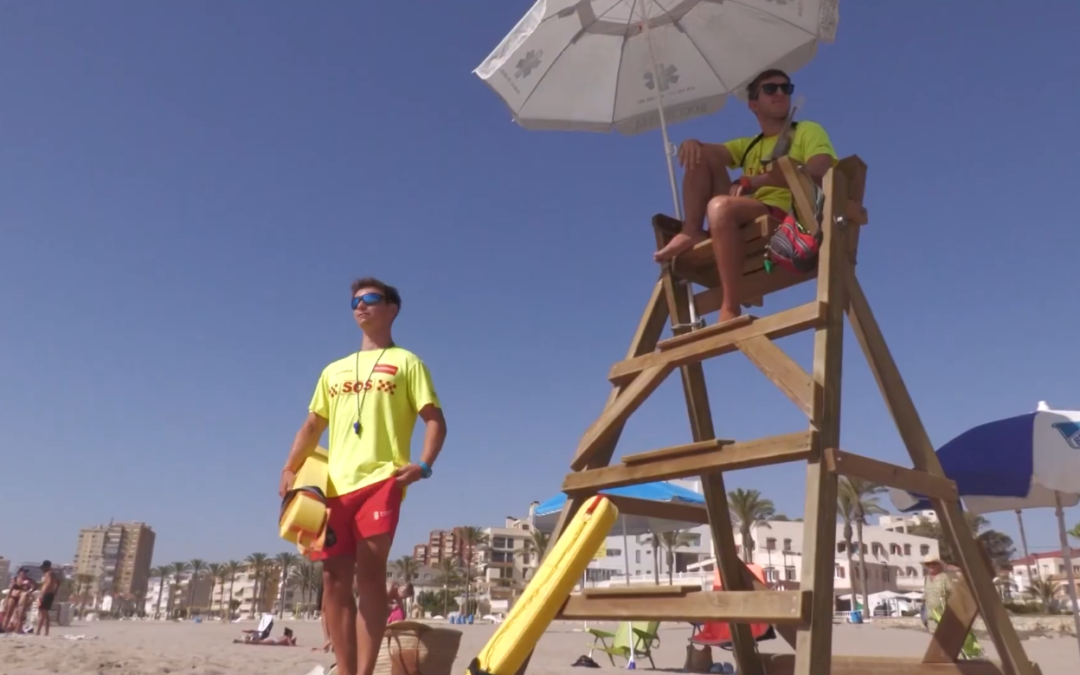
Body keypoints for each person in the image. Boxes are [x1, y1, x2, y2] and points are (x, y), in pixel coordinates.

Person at [279, 277, 447, 675]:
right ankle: (346, 669)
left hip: (381, 482)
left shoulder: (407, 362)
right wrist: (289, 467)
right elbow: (311, 426)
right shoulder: (333, 371)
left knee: (370, 578)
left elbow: (434, 419)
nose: (360, 306)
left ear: (392, 308)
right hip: (332, 488)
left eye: (371, 299)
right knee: (334, 582)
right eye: (354, 301)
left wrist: (423, 465)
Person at [653, 68, 838, 322]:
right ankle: (691, 229)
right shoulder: (750, 144)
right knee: (700, 156)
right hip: (744, 217)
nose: (781, 93)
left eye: (787, 88)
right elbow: (708, 153)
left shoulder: (806, 130)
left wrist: (755, 180)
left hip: (784, 217)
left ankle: (730, 305)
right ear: (753, 104)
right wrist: (692, 142)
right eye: (771, 89)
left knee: (721, 207)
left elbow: (821, 169)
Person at [35, 561, 58, 636]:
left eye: (43, 567)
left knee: (42, 613)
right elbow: (58, 583)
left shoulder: (48, 573)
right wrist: (55, 591)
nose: (42, 569)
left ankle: (38, 631)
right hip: (50, 594)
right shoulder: (53, 573)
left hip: (46, 594)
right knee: (45, 614)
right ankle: (46, 632)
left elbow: (48, 583)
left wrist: (42, 594)